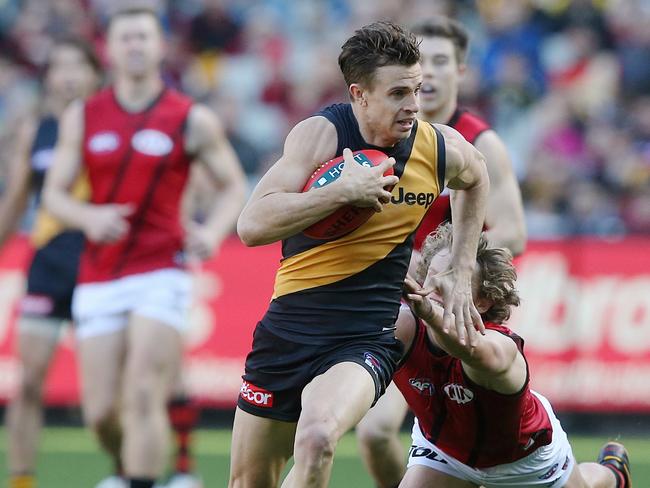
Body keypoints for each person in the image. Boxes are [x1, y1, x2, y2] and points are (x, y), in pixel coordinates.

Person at [229, 21, 489, 488]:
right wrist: (340, 193)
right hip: (288, 329)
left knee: (317, 438)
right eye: (397, 94)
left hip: (367, 334)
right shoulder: (321, 136)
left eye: (415, 89)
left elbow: (477, 178)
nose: (413, 104)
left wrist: (461, 262)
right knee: (250, 481)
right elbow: (251, 226)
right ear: (360, 94)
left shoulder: (438, 146)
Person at [43, 7, 247, 488]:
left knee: (142, 391)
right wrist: (88, 215)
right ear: (109, 50)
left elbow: (234, 186)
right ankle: (130, 467)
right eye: (125, 38)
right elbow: (53, 194)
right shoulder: (84, 115)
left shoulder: (190, 118)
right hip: (99, 273)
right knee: (98, 413)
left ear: (160, 47)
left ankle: (144, 479)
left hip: (162, 270)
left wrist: (211, 231)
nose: (134, 45)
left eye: (143, 37)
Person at [356, 17, 527, 488]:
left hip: (460, 310)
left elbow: (513, 232)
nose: (427, 73)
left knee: (485, 453)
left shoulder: (480, 142)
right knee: (373, 435)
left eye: (439, 61)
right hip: (400, 308)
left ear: (461, 71)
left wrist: (449, 260)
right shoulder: (386, 135)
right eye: (419, 62)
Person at [393, 222, 631, 488]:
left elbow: (468, 348)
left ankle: (612, 475)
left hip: (525, 461)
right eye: (432, 275)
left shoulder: (501, 346)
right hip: (445, 451)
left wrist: (427, 310)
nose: (434, 286)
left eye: (450, 281)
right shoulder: (405, 327)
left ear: (482, 302)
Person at [0, 38, 101, 488]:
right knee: (30, 381)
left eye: (76, 64)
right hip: (48, 263)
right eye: (58, 65)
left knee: (105, 394)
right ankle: (22, 480)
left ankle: (126, 471)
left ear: (94, 74)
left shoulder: (110, 125)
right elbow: (18, 195)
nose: (67, 74)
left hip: (102, 265)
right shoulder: (35, 130)